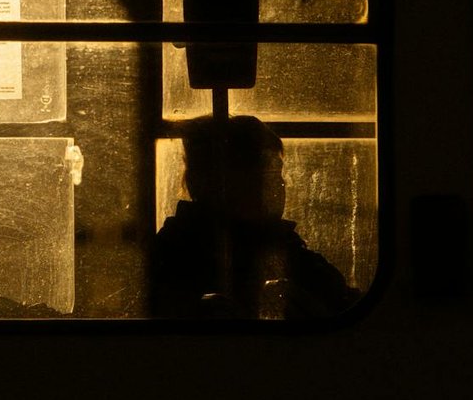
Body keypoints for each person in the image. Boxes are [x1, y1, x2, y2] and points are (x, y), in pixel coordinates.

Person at [149, 114, 360, 320]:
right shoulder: (180, 256)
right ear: (228, 181)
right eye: (270, 173)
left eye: (278, 174)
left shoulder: (281, 246)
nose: (281, 185)